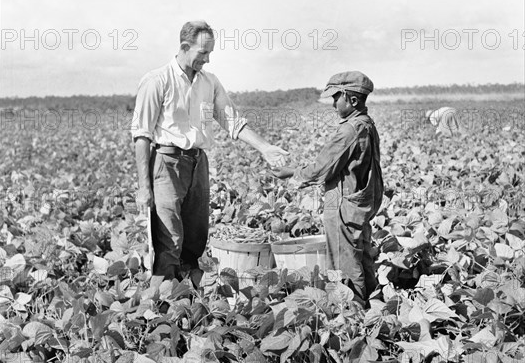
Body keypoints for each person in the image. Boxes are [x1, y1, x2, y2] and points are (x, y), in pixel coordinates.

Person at [131, 20, 288, 281]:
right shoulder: (157, 80)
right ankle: (164, 306)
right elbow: (142, 136)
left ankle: (189, 305)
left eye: (210, 53)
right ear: (184, 46)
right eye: (202, 53)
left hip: (197, 163)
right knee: (169, 239)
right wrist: (143, 187)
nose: (207, 59)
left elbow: (232, 120)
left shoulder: (209, 82)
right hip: (166, 163)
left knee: (195, 237)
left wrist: (265, 148)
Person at [271, 71, 383, 302]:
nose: (333, 104)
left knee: (343, 261)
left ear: (351, 99)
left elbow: (322, 168)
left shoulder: (349, 130)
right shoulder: (367, 124)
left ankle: (352, 311)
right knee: (361, 256)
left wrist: (291, 172)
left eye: (335, 98)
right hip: (359, 202)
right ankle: (372, 302)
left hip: (342, 204)